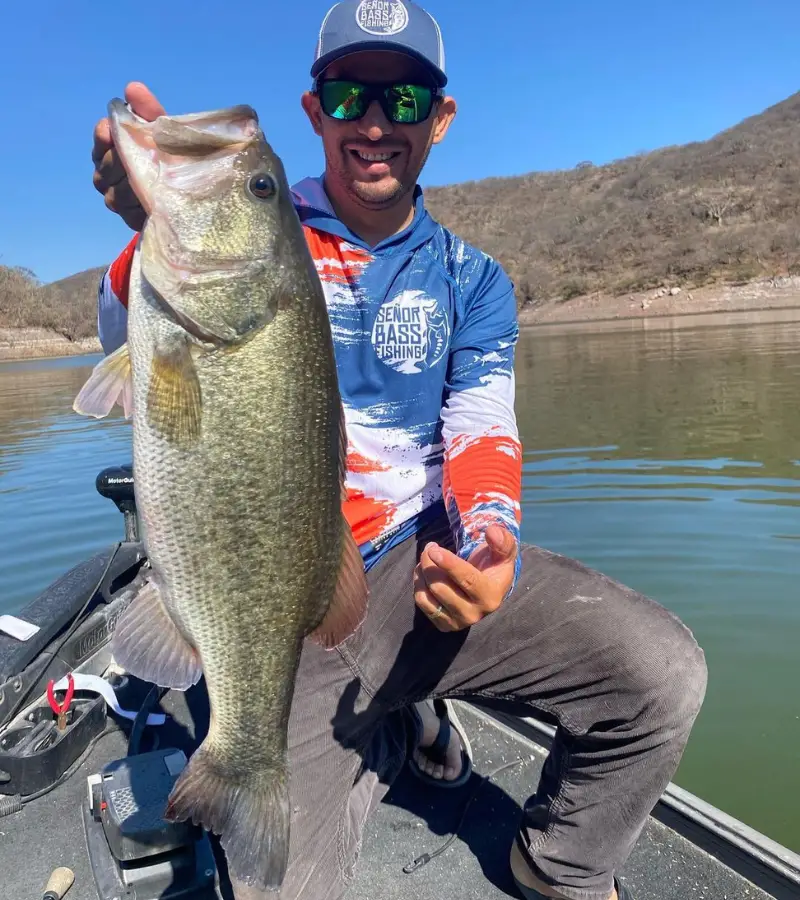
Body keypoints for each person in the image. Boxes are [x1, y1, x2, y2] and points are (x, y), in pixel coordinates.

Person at [89, 2, 707, 899]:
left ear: (438, 119)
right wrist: (139, 231)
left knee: (661, 676)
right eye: (348, 96)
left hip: (423, 566)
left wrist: (491, 540)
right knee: (279, 883)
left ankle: (557, 862)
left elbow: (482, 425)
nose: (375, 122)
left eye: (404, 97)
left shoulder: (474, 279)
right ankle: (391, 728)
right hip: (287, 604)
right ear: (315, 113)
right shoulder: (262, 237)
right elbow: (132, 335)